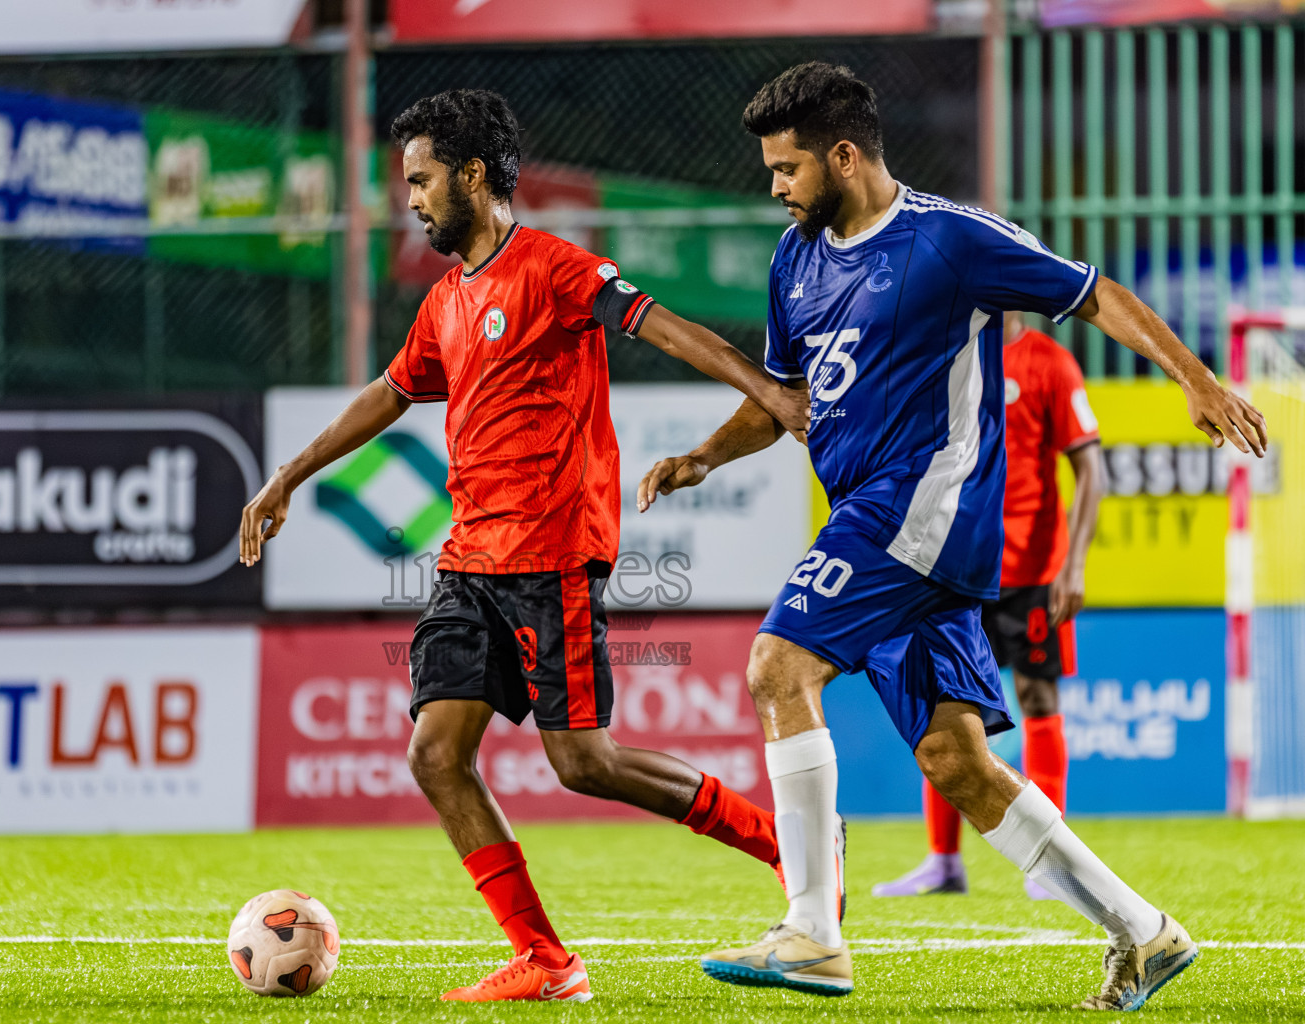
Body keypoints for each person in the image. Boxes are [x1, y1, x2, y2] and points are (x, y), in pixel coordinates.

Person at [638, 62, 1265, 1010]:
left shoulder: (948, 240)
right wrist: (702, 457)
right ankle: (1144, 930)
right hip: (887, 523)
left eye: (788, 168)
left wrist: (1197, 379)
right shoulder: (794, 261)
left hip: (920, 509)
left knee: (776, 668)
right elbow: (788, 405)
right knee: (956, 761)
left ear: (843, 156)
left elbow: (1095, 295)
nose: (776, 187)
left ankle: (812, 930)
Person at [239, 89, 822, 1004]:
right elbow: (391, 393)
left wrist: (775, 396)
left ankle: (788, 844)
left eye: (423, 181)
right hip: (468, 561)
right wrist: (289, 477)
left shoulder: (554, 269)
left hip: (551, 556)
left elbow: (666, 327)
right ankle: (548, 963)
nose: (414, 201)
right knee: (436, 755)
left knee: (584, 762)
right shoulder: (445, 301)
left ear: (472, 175)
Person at [874, 313, 1106, 899]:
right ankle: (943, 861)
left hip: (1031, 573)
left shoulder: (1049, 363)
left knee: (1037, 696)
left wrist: (1073, 565)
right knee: (945, 708)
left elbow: (1091, 469)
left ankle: (1051, 865)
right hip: (956, 563)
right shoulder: (946, 354)